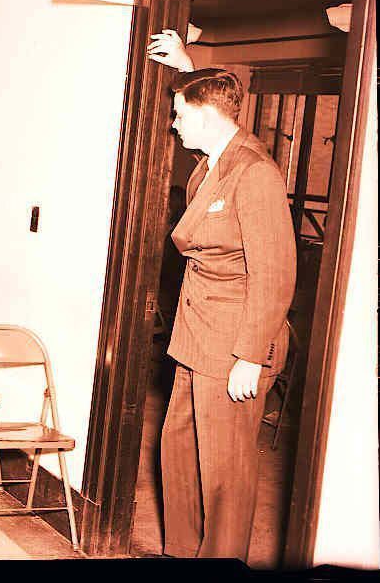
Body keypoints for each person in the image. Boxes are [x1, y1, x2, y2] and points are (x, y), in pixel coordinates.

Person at [147, 29, 296, 561]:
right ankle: (181, 552)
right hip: (197, 334)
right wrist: (187, 67)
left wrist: (250, 357)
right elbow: (214, 102)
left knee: (226, 472)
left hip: (234, 342)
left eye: (180, 116)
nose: (174, 124)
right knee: (179, 450)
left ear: (207, 119)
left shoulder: (254, 172)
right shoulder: (216, 159)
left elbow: (275, 273)